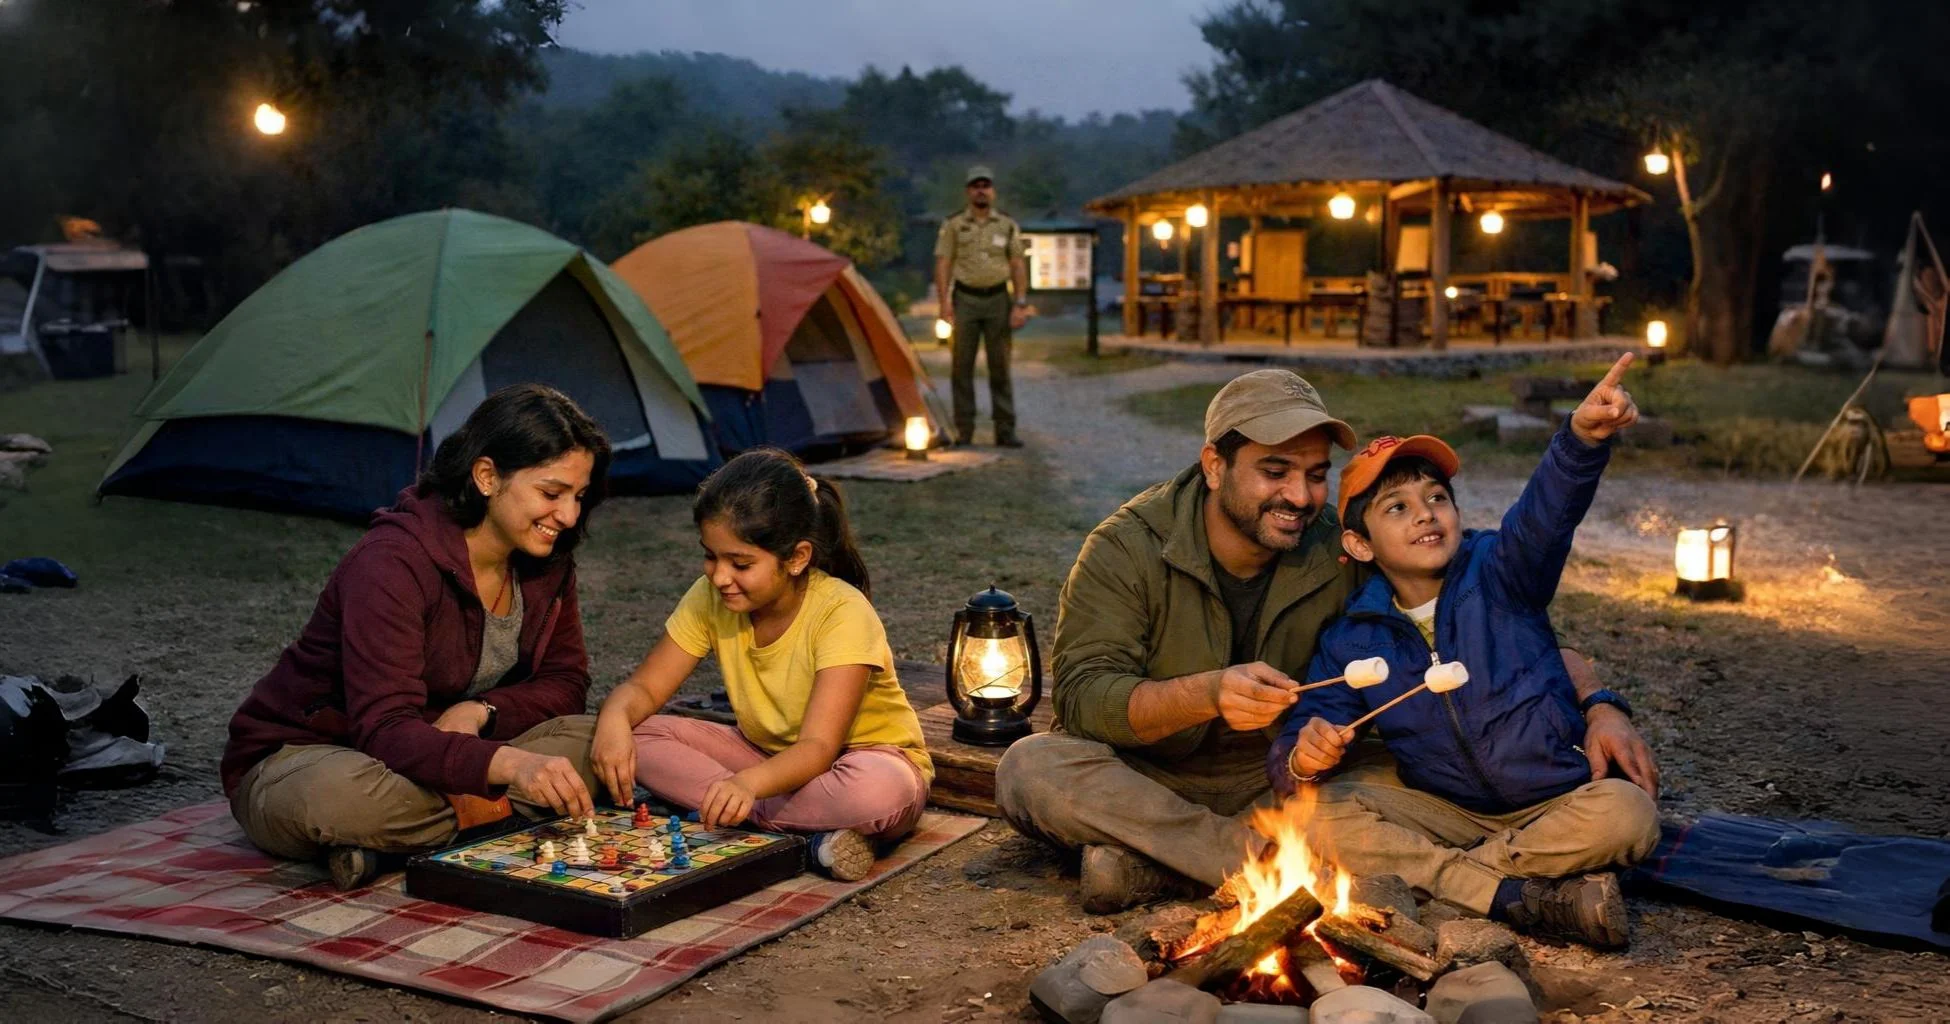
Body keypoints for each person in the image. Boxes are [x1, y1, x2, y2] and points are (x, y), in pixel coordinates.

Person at [994, 368, 1650, 915]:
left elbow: (1508, 634)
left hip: (1276, 784)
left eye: (1314, 473)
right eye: (1275, 470)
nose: (1300, 496)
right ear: (1215, 465)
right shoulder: (1125, 548)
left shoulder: (1341, 546)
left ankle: (1168, 869)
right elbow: (1083, 698)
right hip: (1147, 780)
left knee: (1394, 779)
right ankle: (1264, 865)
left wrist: (1599, 704)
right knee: (1031, 769)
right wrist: (1207, 694)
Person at [1272, 353, 1660, 948]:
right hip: (1445, 809)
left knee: (1629, 815)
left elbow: (1545, 517)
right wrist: (1304, 755)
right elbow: (1308, 727)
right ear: (1360, 544)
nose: (1425, 514)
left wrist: (1579, 442)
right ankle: (1514, 889)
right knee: (1311, 814)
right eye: (1397, 508)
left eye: (1436, 497)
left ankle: (1465, 882)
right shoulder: (1352, 638)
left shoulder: (1501, 573)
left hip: (1555, 801)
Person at [221, 384, 608, 890]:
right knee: (339, 801)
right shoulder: (390, 563)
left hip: (446, 750)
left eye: (579, 497)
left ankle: (392, 844)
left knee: (606, 741)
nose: (569, 516)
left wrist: (482, 712)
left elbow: (565, 682)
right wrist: (509, 765)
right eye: (552, 494)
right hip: (325, 754)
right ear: (487, 477)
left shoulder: (546, 561)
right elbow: (384, 728)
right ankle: (491, 820)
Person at [591, 449, 932, 882]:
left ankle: (745, 818)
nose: (719, 577)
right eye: (710, 556)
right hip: (764, 757)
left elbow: (818, 747)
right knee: (641, 734)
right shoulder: (710, 597)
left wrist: (746, 786)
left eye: (741, 563)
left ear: (797, 557)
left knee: (878, 792)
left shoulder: (841, 611)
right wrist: (614, 719)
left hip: (861, 760)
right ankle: (807, 835)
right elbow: (644, 689)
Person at [934, 165, 1030, 448]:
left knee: (1000, 366)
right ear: (968, 191)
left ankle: (1005, 429)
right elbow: (943, 263)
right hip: (965, 300)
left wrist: (1020, 303)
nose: (981, 191)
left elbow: (1017, 265)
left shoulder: (1006, 225)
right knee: (961, 367)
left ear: (993, 191)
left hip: (998, 299)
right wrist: (943, 302)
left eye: (985, 185)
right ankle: (964, 429)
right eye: (975, 186)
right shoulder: (954, 225)